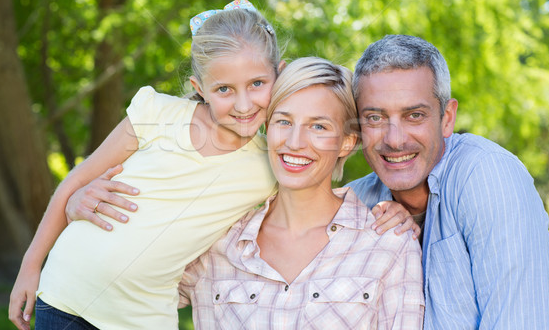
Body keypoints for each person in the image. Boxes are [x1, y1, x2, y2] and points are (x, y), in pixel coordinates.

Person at [9, 0, 283, 330]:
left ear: (278, 75)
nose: (243, 104)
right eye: (224, 89)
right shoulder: (158, 114)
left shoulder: (269, 166)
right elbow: (77, 179)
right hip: (66, 296)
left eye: (257, 84)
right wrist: (30, 266)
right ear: (201, 89)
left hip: (143, 318)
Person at [178, 57, 425, 329]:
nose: (294, 142)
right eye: (283, 122)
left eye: (318, 127)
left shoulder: (388, 244)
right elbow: (132, 290)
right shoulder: (217, 240)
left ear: (346, 142)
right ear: (267, 128)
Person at [346, 34, 549, 329]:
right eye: (375, 118)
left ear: (447, 118)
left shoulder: (486, 176)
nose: (394, 140)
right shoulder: (355, 203)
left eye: (414, 115)